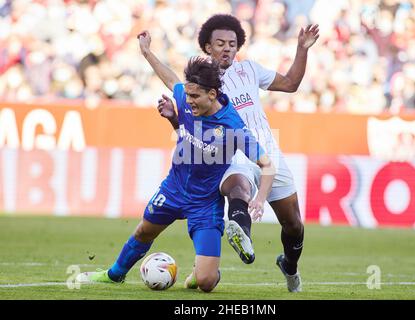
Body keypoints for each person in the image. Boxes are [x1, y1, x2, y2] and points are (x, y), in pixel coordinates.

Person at [138, 14, 319, 292]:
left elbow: (291, 83)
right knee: (238, 187)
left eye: (232, 43)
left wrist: (302, 49)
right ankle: (241, 233)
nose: (227, 48)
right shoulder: (203, 80)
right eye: (220, 43)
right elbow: (173, 81)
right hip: (231, 154)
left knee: (294, 225)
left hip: (268, 151)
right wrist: (148, 54)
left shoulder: (250, 70)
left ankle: (289, 265)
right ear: (207, 47)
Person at [76, 56, 275, 293]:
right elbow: (170, 79)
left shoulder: (232, 125)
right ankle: (114, 274)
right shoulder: (186, 96)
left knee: (206, 283)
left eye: (194, 97)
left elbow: (267, 164)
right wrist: (147, 52)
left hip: (205, 202)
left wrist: (260, 199)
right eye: (187, 95)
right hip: (174, 189)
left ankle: (201, 273)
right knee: (143, 231)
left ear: (212, 94)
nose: (187, 100)